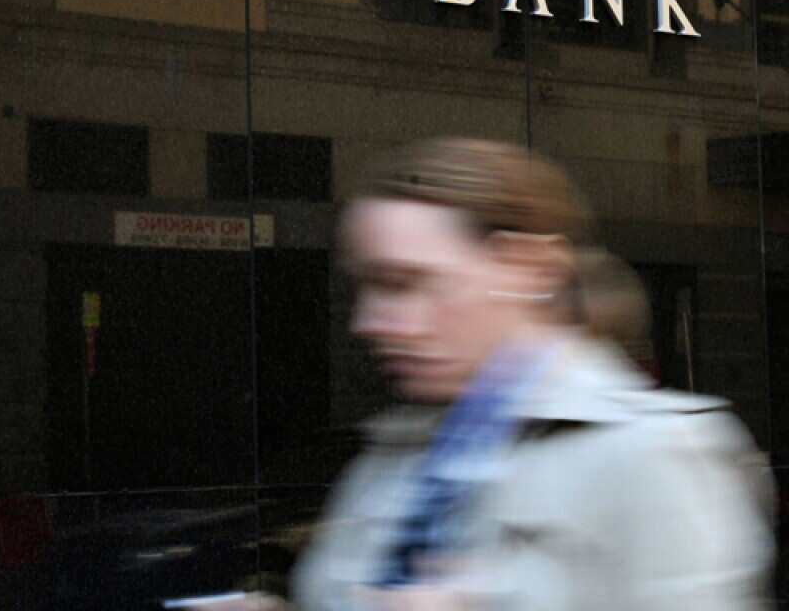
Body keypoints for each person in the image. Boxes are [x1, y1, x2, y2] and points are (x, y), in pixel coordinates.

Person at [195, 138, 774, 610]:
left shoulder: (655, 451)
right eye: (364, 286)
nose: (369, 321)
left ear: (525, 266)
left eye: (405, 283)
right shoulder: (396, 447)